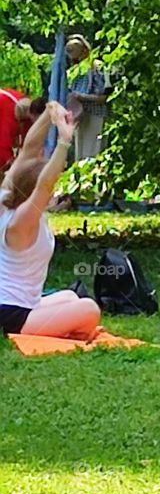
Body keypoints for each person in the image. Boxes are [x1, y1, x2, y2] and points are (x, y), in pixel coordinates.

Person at [0, 102, 101, 339]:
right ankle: (52, 331)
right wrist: (64, 142)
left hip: (22, 304)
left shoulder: (6, 199)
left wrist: (48, 114)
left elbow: (28, 151)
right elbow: (44, 184)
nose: (57, 193)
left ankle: (55, 325)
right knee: (89, 309)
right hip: (11, 316)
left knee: (70, 297)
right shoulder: (23, 221)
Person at [65, 34, 111, 159]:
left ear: (84, 50)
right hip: (81, 117)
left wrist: (82, 97)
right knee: (80, 157)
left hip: (95, 115)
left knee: (93, 155)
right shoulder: (76, 70)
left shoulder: (97, 66)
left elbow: (104, 97)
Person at [0, 89, 46, 177]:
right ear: (33, 115)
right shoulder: (8, 122)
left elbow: (29, 145)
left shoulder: (29, 117)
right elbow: (3, 150)